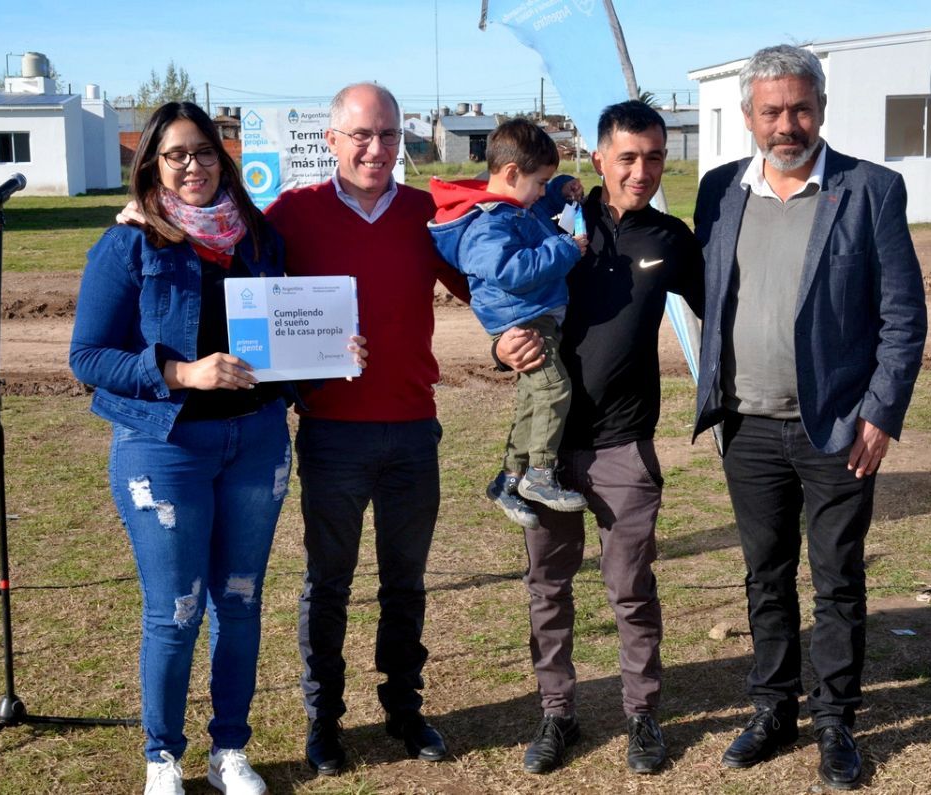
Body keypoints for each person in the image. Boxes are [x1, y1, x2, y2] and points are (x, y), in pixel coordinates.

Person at [73, 102, 361, 795]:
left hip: (255, 440)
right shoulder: (130, 243)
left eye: (203, 151)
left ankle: (229, 748)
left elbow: (280, 344)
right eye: (175, 154)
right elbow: (88, 356)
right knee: (176, 609)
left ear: (222, 158)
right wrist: (180, 372)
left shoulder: (257, 238)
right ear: (153, 164)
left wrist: (332, 353)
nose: (192, 166)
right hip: (164, 446)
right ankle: (162, 755)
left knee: (240, 600)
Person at [691, 45, 928, 791]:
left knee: (837, 578)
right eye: (772, 111)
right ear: (748, 116)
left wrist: (880, 413)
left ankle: (835, 720)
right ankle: (772, 709)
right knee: (765, 575)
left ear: (821, 108)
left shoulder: (870, 190)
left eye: (800, 108)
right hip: (747, 427)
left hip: (838, 429)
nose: (786, 124)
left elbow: (902, 317)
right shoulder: (719, 191)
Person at [262, 82, 472, 777]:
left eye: (387, 134)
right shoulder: (293, 213)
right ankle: (324, 720)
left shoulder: (424, 213)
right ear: (332, 140)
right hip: (333, 435)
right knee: (328, 584)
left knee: (405, 583)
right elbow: (237, 278)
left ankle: (404, 710)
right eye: (361, 135)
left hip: (412, 430)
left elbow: (484, 280)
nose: (376, 148)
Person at [495, 100, 704, 775]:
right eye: (627, 158)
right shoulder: (551, 222)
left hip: (625, 446)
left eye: (654, 158)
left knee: (631, 588)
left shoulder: (671, 238)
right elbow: (495, 290)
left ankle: (642, 714)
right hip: (547, 453)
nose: (641, 171)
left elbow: (724, 310)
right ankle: (557, 713)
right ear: (599, 159)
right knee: (547, 587)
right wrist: (500, 346)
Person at [427, 118, 589, 529]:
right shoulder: (487, 225)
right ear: (513, 173)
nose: (541, 193)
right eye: (540, 182)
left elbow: (537, 215)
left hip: (533, 315)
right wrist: (566, 249)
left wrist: (561, 188)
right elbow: (509, 269)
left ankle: (510, 479)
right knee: (553, 389)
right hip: (523, 320)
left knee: (533, 400)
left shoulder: (515, 207)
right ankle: (540, 474)